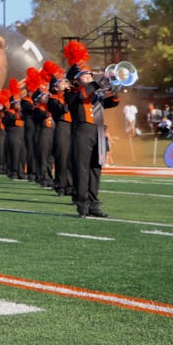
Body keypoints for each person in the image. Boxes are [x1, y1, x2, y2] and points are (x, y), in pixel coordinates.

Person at [64, 41, 118, 218]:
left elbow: (113, 102)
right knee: (82, 168)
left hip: (99, 131)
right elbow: (82, 95)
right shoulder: (72, 93)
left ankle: (94, 204)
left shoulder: (96, 93)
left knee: (96, 167)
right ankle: (82, 204)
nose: (89, 77)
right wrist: (96, 83)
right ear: (75, 79)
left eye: (89, 75)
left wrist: (112, 88)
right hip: (82, 131)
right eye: (85, 76)